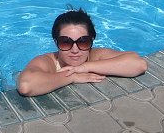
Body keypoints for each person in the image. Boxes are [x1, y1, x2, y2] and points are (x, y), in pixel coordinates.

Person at [16, 9, 148, 96]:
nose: (75, 50)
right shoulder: (48, 62)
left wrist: (84, 67)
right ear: (56, 42)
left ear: (92, 41)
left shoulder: (96, 56)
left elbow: (138, 64)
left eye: (83, 41)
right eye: (66, 42)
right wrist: (71, 77)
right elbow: (26, 85)